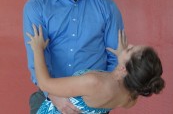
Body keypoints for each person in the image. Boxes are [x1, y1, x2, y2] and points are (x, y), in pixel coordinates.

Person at [23, 0, 124, 113]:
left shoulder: (107, 7)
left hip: (94, 100)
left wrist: (100, 100)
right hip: (50, 96)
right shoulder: (37, 7)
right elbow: (36, 60)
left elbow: (116, 58)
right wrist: (56, 98)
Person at [26, 25, 165, 114]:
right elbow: (118, 79)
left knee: (35, 97)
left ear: (124, 69)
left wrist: (37, 49)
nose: (130, 44)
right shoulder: (130, 97)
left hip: (47, 110)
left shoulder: (94, 82)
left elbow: (44, 84)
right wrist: (123, 56)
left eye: (130, 49)